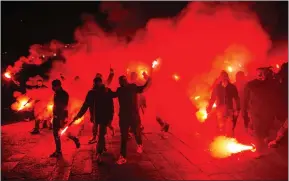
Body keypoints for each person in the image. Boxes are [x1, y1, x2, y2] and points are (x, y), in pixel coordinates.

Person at [111, 73, 152, 165]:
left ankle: (139, 144)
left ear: (126, 81)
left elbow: (143, 88)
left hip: (134, 116)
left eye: (123, 80)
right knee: (123, 136)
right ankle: (123, 156)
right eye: (120, 81)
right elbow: (112, 95)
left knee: (136, 132)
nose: (122, 82)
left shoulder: (133, 87)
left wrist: (149, 80)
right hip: (123, 116)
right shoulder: (120, 90)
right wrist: (105, 90)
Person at [73, 77, 114, 163]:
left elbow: (111, 105)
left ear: (100, 83)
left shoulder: (106, 91)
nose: (96, 84)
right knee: (99, 133)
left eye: (97, 83)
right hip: (96, 117)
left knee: (101, 134)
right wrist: (78, 115)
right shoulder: (91, 93)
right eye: (95, 83)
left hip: (103, 117)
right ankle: (101, 147)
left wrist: (110, 118)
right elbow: (85, 105)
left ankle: (99, 153)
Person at [243, 67, 279, 158]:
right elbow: (244, 101)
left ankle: (265, 146)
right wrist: (245, 116)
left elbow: (276, 98)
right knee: (258, 132)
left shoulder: (272, 84)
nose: (261, 75)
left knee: (266, 131)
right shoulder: (250, 85)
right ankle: (259, 151)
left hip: (269, 113)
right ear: (255, 74)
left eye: (263, 73)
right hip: (256, 113)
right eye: (259, 73)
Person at [50, 79, 80, 158]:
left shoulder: (63, 94)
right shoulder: (56, 93)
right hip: (56, 116)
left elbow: (63, 107)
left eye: (53, 86)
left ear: (58, 86)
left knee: (58, 132)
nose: (52, 88)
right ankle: (74, 139)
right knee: (57, 133)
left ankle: (58, 151)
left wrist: (61, 119)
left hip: (60, 117)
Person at [207, 71, 240, 136]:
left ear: (227, 77)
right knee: (221, 125)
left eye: (225, 76)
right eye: (222, 76)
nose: (224, 78)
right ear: (220, 78)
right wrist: (209, 107)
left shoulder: (232, 87)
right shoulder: (217, 87)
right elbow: (213, 98)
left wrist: (237, 109)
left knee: (229, 125)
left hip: (229, 109)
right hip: (220, 109)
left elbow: (237, 98)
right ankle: (222, 140)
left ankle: (229, 138)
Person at [88, 68, 115, 144]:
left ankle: (110, 130)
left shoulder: (104, 86)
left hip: (103, 111)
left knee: (106, 126)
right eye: (97, 77)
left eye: (99, 77)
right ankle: (94, 137)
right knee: (95, 125)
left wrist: (112, 73)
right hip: (95, 110)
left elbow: (109, 80)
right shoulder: (93, 87)